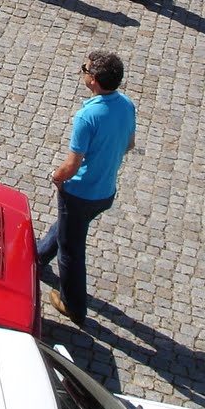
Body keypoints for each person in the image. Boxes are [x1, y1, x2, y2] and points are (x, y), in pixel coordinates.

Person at [35, 51, 136, 324]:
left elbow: (72, 165)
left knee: (71, 251)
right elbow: (129, 144)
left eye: (84, 69)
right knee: (67, 226)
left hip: (80, 193)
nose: (82, 72)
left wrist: (56, 177)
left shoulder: (86, 116)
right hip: (105, 191)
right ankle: (39, 255)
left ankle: (73, 305)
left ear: (93, 80)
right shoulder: (126, 105)